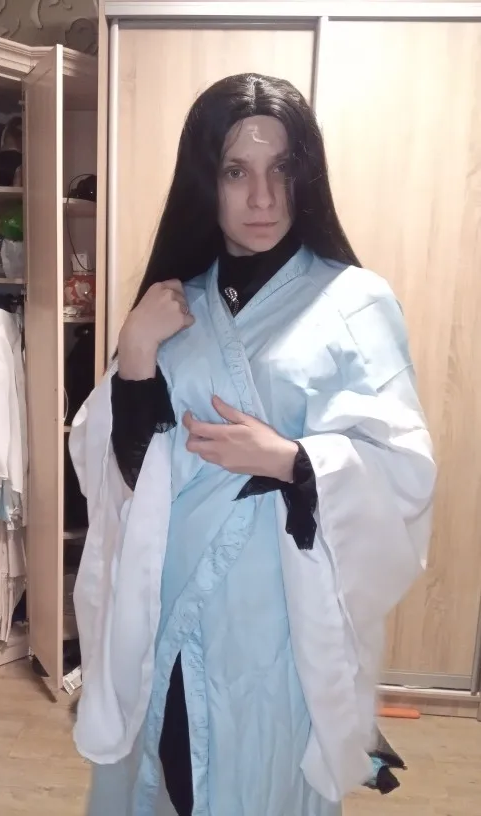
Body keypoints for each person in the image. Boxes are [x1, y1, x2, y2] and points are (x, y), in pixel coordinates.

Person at [69, 74, 436, 816]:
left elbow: (405, 470)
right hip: (166, 594)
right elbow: (117, 473)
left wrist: (291, 460)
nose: (262, 197)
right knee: (168, 769)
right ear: (206, 181)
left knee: (261, 779)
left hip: (278, 615)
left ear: (307, 176)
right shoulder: (175, 302)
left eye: (282, 170)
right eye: (236, 171)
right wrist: (135, 354)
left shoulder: (356, 302)